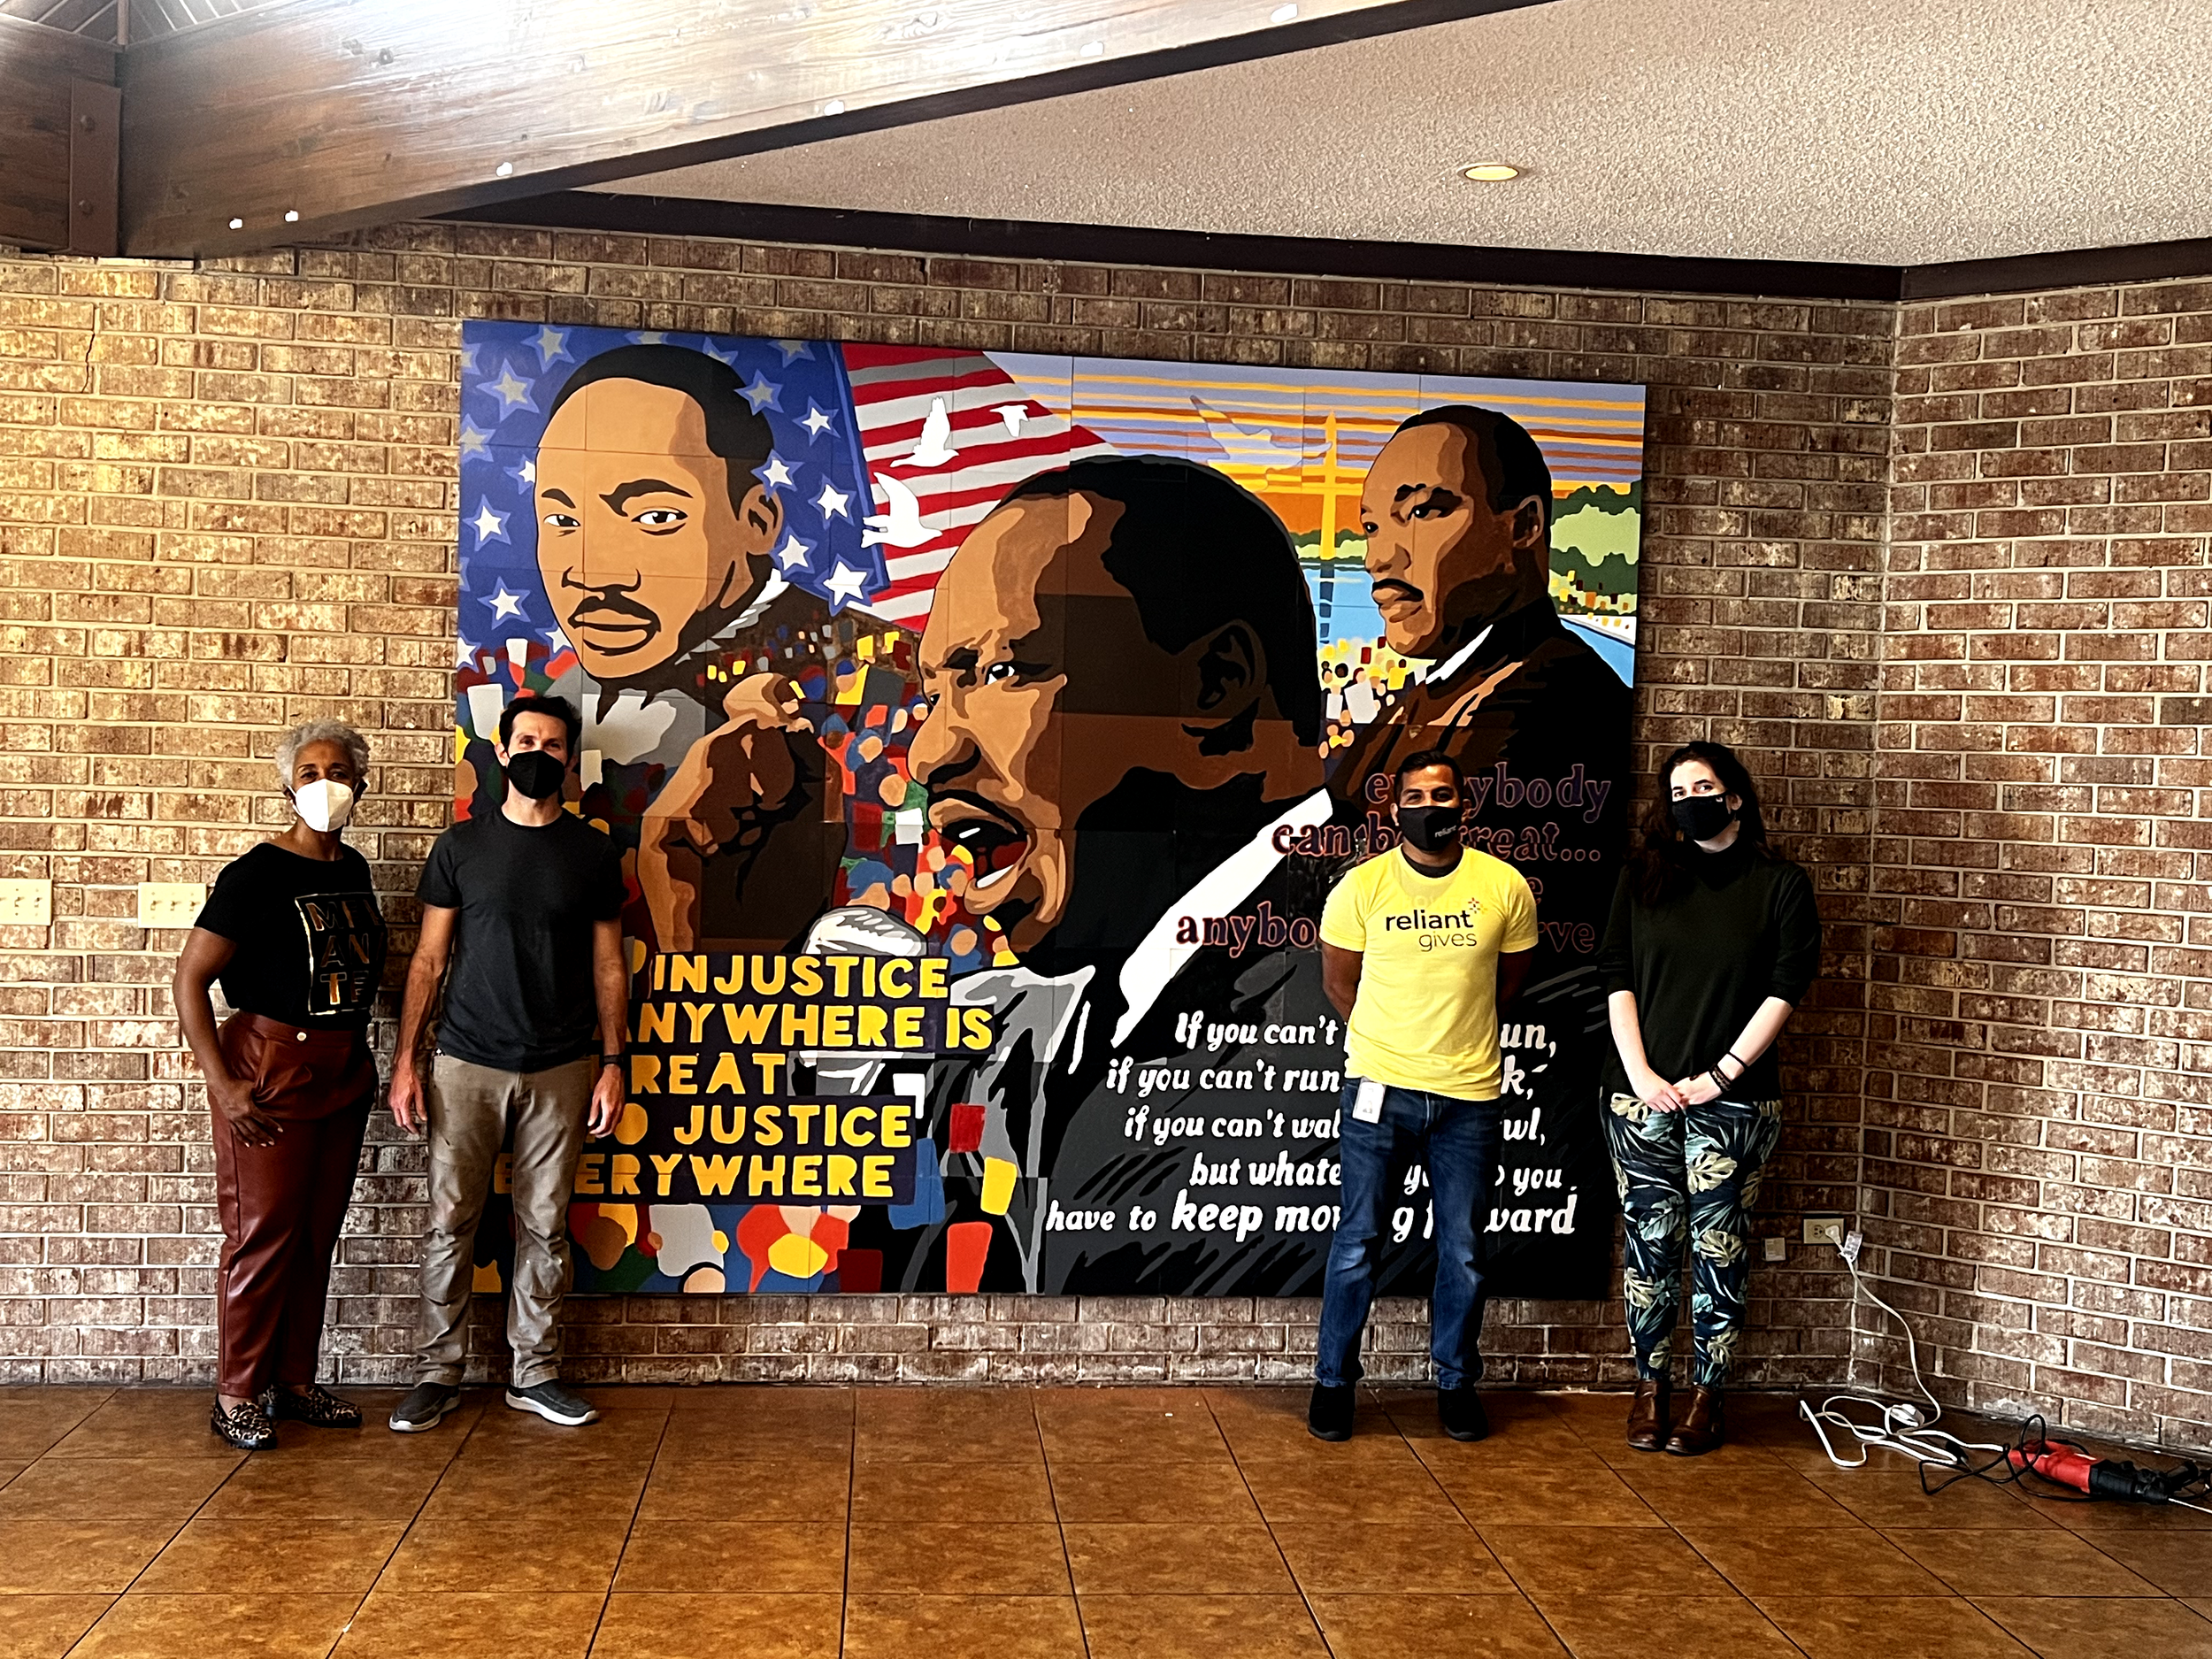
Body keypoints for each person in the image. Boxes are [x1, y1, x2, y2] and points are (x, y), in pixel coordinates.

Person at [868, 453, 1335, 1294]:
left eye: (1002, 671)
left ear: (1215, 684)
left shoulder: (1346, 1001)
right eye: (939, 690)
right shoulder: (1094, 1003)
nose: (931, 749)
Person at [527, 343, 900, 953]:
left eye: (653, 518)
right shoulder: (552, 701)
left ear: (756, 522)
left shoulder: (890, 681)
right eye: (563, 523)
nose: (592, 573)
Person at [386, 693, 629, 1432]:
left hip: (563, 1067)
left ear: (569, 758)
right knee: (448, 1223)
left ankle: (535, 1371)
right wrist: (406, 1061)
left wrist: (615, 1061)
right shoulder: (460, 848)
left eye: (553, 745)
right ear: (500, 750)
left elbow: (610, 966)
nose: (538, 753)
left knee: (547, 1227)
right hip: (464, 1064)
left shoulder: (593, 852)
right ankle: (437, 1371)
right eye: (526, 739)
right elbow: (429, 959)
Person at [1599, 741, 1821, 1455]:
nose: (1689, 797)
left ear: (1734, 796)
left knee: (1718, 1248)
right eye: (1677, 789)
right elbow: (1616, 976)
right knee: (1649, 1245)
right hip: (1640, 1096)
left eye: (1703, 785)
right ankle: (1649, 1386)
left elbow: (1786, 987)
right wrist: (1640, 1074)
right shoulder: (1644, 878)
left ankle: (1706, 1394)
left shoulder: (1779, 883)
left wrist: (1722, 1074)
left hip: (1736, 1099)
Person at [1310, 749, 1537, 1443]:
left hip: (1469, 1097)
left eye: (1442, 795)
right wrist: (1393, 1045)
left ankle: (1455, 1382)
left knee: (1464, 1250)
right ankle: (1332, 1384)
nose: (1429, 807)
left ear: (1464, 804)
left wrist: (1451, 1043)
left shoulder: (1504, 887)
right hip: (1379, 1089)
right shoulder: (1362, 886)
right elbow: (1337, 985)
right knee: (1357, 1243)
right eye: (1416, 796)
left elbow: (1510, 981)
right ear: (1393, 806)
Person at [173, 720, 388, 1449]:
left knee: (315, 1235)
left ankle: (294, 1382)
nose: (324, 781)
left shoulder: (352, 868)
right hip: (268, 1069)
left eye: (337, 768)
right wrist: (224, 1083)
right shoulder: (255, 874)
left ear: (361, 782)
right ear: (287, 785)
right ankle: (237, 1392)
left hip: (342, 1069)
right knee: (261, 1236)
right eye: (309, 770)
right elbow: (191, 978)